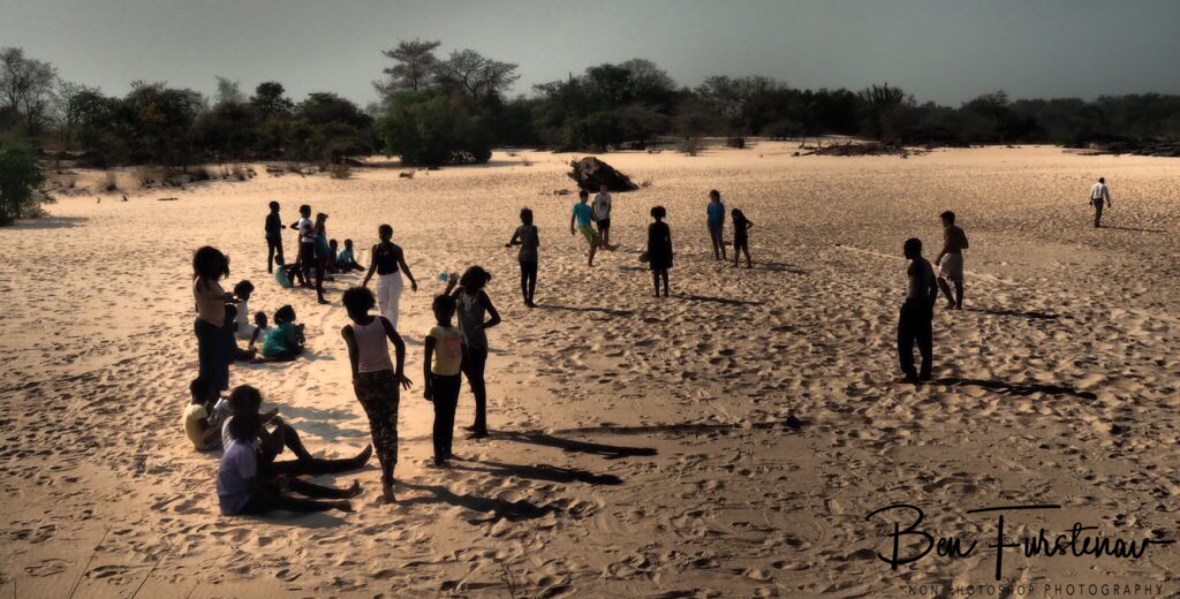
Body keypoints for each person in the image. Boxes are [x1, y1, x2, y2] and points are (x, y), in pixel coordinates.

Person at [341, 287, 412, 503]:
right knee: (390, 427)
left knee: (376, 425)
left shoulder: (348, 329)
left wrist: (355, 377)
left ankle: (385, 471)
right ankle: (388, 478)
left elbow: (354, 352)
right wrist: (399, 373)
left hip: (366, 381)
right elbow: (400, 344)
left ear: (351, 309)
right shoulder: (382, 322)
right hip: (387, 379)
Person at [218, 412, 358, 516]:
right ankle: (329, 505)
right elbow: (252, 488)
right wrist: (276, 485)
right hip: (238, 503)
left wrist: (277, 483)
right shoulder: (243, 451)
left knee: (291, 483)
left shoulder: (242, 444)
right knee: (280, 501)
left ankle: (341, 493)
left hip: (240, 495)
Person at [221, 385, 369, 476]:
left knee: (286, 431)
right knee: (301, 461)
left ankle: (310, 463)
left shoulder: (230, 421)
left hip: (245, 464)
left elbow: (261, 421)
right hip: (253, 472)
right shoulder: (251, 422)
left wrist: (274, 420)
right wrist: (278, 426)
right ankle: (352, 463)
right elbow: (277, 448)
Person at [444, 266, 501, 439]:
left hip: (476, 345)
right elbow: (443, 305)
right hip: (459, 342)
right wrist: (450, 286)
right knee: (472, 383)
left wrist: (482, 326)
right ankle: (478, 423)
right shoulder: (460, 292)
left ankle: (481, 426)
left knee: (478, 384)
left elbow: (496, 318)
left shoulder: (480, 296)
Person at [423, 295, 465, 467]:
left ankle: (447, 449)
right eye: (437, 311)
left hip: (455, 378)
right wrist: (427, 385)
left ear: (451, 312)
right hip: (438, 378)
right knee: (440, 416)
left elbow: (462, 356)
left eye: (445, 311)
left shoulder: (457, 331)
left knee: (450, 414)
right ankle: (437, 453)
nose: (440, 314)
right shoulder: (433, 332)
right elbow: (426, 360)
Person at [193, 246, 235, 392]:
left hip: (216, 325)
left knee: (218, 361)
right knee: (209, 364)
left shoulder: (210, 280)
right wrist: (224, 297)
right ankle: (207, 393)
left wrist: (225, 299)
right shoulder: (201, 281)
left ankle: (214, 391)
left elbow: (212, 299)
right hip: (207, 325)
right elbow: (208, 298)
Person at [361, 225, 418, 331]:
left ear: (390, 235)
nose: (381, 236)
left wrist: (412, 280)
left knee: (393, 305)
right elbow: (373, 266)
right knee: (382, 306)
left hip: (395, 279)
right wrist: (366, 281)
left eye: (383, 234)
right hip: (382, 279)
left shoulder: (397, 249)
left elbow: (403, 266)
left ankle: (393, 329)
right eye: (380, 233)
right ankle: (387, 325)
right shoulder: (376, 248)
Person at [899, 238, 938, 384]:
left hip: (913, 306)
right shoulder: (927, 264)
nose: (904, 252)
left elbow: (920, 288)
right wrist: (929, 305)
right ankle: (925, 373)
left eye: (906, 249)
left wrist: (916, 305)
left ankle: (911, 373)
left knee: (905, 342)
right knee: (925, 342)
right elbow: (934, 287)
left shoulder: (915, 266)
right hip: (924, 305)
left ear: (913, 250)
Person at [934, 211, 969, 310]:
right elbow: (965, 245)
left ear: (947, 220)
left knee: (940, 279)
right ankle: (959, 305)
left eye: (943, 220)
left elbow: (947, 244)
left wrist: (939, 256)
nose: (942, 222)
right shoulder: (959, 230)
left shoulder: (948, 229)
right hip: (958, 256)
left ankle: (951, 301)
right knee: (958, 282)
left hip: (949, 256)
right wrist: (956, 243)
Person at [571, 190, 615, 266]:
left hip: (589, 227)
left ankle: (589, 263)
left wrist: (598, 218)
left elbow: (593, 218)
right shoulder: (577, 206)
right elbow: (573, 217)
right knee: (597, 237)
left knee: (594, 246)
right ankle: (609, 247)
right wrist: (571, 227)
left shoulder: (588, 208)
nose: (585, 199)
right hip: (583, 226)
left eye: (586, 197)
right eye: (584, 198)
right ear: (581, 197)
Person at [506, 208, 540, 307]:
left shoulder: (519, 229)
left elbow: (512, 241)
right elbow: (537, 243)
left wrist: (521, 242)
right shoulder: (533, 228)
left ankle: (525, 298)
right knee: (532, 278)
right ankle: (530, 300)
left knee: (524, 277)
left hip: (522, 256)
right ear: (530, 218)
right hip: (532, 256)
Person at [183, 377, 221, 451]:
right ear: (206, 392)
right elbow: (206, 433)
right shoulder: (199, 409)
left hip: (196, 441)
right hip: (203, 444)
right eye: (211, 390)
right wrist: (221, 428)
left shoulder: (191, 405)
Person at [647, 206, 673, 297]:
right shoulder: (665, 226)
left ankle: (657, 292)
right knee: (664, 272)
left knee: (656, 273)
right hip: (664, 250)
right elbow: (668, 240)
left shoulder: (651, 227)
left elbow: (650, 241)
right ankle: (666, 292)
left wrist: (649, 253)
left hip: (655, 251)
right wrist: (670, 253)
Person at [290, 204, 315, 289]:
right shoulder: (304, 221)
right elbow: (310, 232)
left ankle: (304, 280)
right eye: (308, 211)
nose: (310, 213)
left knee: (304, 262)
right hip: (307, 244)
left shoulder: (302, 220)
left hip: (306, 242)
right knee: (306, 264)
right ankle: (307, 282)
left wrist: (300, 230)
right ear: (304, 212)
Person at [707, 190, 727, 261]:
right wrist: (708, 223)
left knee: (720, 240)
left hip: (718, 226)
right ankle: (717, 256)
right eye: (710, 196)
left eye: (712, 195)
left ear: (716, 196)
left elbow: (722, 216)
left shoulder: (720, 205)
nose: (711, 197)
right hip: (712, 225)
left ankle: (724, 256)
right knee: (714, 241)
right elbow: (709, 215)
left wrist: (721, 226)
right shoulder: (709, 205)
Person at [265, 201, 283, 274]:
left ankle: (282, 267)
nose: (279, 208)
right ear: (273, 208)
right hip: (271, 237)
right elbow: (266, 228)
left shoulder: (277, 215)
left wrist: (281, 226)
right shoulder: (269, 216)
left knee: (280, 252)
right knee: (271, 253)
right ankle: (270, 269)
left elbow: (277, 224)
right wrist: (274, 230)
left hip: (277, 236)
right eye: (277, 206)